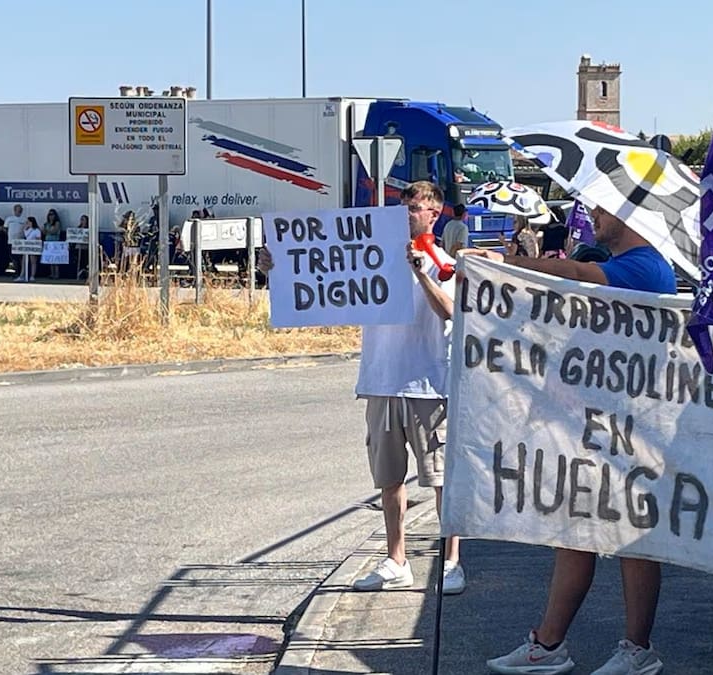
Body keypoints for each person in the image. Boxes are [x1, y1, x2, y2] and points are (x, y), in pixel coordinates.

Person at [472, 204, 676, 675]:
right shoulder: (626, 265)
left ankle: (637, 650)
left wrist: (511, 265)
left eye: (603, 209)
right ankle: (549, 645)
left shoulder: (643, 266)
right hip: (595, 424)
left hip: (629, 428)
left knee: (631, 541)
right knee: (573, 532)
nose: (594, 218)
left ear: (632, 216)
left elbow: (574, 272)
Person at [258, 181, 466, 595]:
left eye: (416, 208)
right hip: (381, 380)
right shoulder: (373, 257)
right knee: (389, 479)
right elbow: (325, 284)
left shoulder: (445, 262)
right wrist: (278, 268)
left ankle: (452, 562)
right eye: (403, 206)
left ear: (434, 215)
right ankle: (396, 559)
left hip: (427, 385)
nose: (407, 214)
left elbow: (451, 312)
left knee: (441, 479)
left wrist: (420, 273)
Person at [3, 204, 27, 280]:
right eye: (17, 209)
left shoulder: (24, 219)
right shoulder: (9, 219)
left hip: (21, 242)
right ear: (14, 210)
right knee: (13, 258)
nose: (19, 211)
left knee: (20, 258)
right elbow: (5, 228)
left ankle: (21, 273)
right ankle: (16, 272)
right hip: (11, 241)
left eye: (20, 209)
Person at [43, 209, 65, 279]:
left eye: (52, 214)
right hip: (48, 242)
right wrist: (47, 231)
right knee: (50, 260)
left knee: (55, 260)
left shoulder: (57, 223)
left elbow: (55, 231)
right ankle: (52, 273)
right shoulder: (47, 223)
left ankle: (57, 274)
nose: (51, 216)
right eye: (49, 214)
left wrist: (48, 231)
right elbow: (44, 232)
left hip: (55, 242)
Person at [22, 216, 41, 282]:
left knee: (33, 261)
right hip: (26, 247)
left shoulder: (37, 230)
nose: (27, 223)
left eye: (28, 222)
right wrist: (25, 228)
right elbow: (25, 237)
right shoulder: (26, 229)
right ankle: (22, 275)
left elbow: (38, 239)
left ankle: (32, 276)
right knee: (24, 261)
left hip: (33, 247)